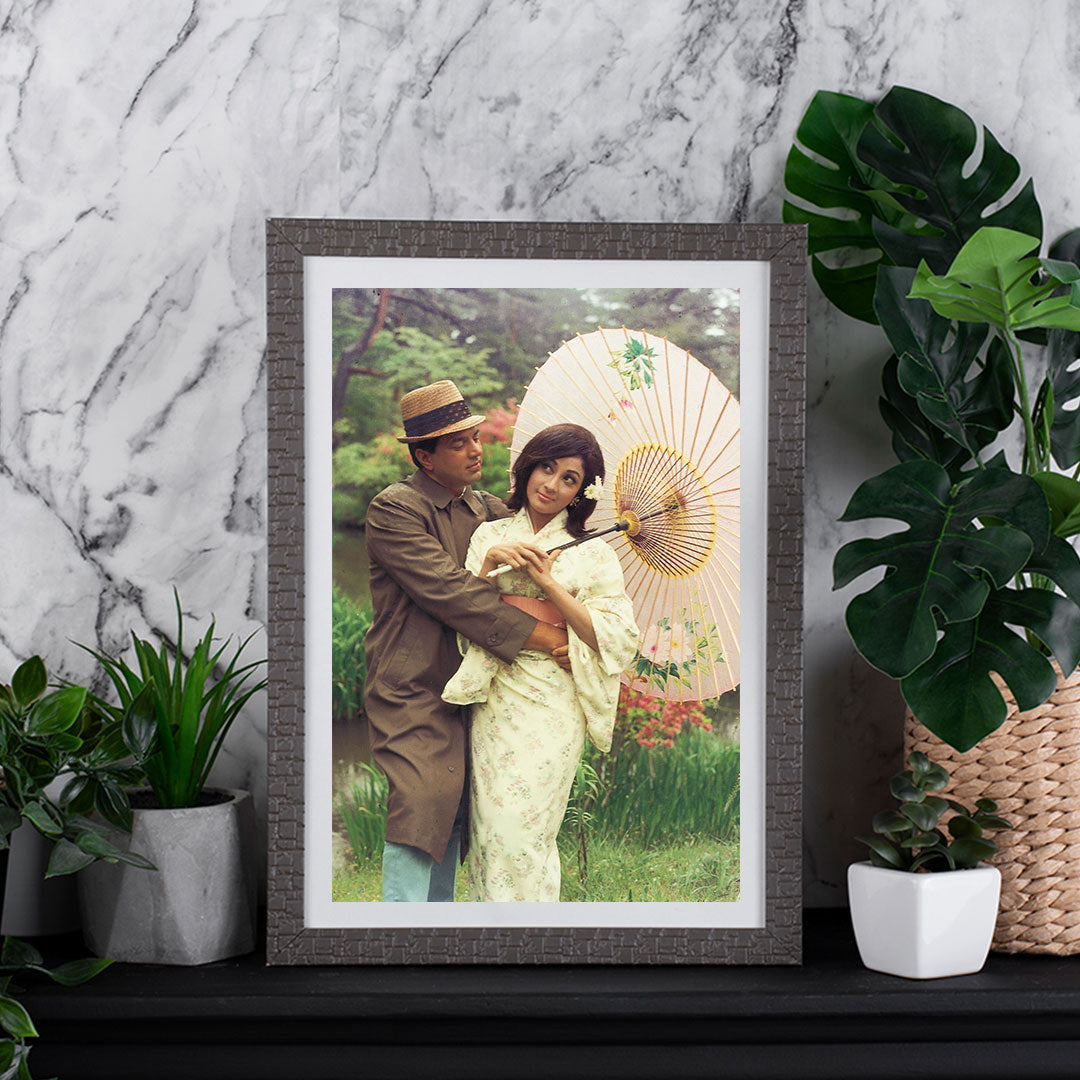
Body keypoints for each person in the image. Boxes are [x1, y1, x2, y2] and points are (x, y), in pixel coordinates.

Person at [363, 381, 570, 902]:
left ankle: (438, 928)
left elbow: (549, 543)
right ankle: (400, 937)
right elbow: (449, 591)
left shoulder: (486, 509)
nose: (477, 450)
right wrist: (544, 637)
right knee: (421, 799)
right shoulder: (395, 510)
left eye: (476, 437)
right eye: (459, 443)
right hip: (413, 685)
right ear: (424, 456)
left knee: (456, 807)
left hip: (478, 682)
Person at [442, 423, 640, 902]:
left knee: (526, 830)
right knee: (492, 829)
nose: (551, 485)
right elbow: (466, 611)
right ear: (528, 466)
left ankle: (533, 936)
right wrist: (488, 568)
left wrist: (550, 585)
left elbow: (616, 639)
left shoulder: (594, 553)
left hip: (554, 704)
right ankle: (492, 940)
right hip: (499, 696)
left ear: (581, 493)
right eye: (547, 468)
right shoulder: (490, 535)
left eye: (569, 478)